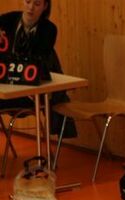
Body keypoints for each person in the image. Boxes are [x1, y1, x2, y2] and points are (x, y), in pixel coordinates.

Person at [0, 0, 76, 137]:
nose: (31, 7)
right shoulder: (8, 19)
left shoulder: (49, 29)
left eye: (37, 4)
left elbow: (38, 60)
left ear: (45, 6)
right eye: (28, 1)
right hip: (8, 87)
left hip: (31, 94)